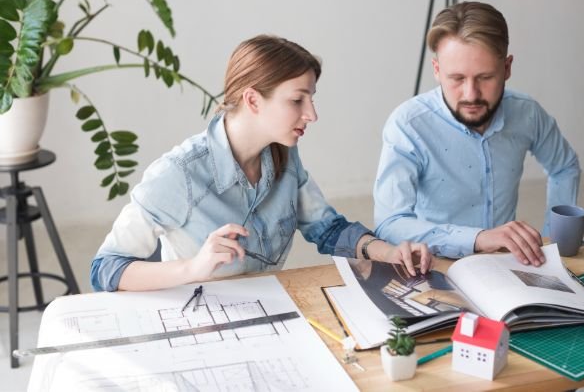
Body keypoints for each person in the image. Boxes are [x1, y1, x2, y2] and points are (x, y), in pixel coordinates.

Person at [91, 35, 433, 292]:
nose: (311, 114)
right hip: (195, 322)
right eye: (297, 100)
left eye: (311, 99)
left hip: (266, 309)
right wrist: (193, 267)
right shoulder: (178, 174)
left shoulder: (284, 155)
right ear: (252, 99)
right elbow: (105, 268)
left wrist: (385, 252)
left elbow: (326, 228)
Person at [374, 1, 580, 267]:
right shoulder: (408, 124)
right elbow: (389, 223)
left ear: (506, 68)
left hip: (506, 265)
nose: (471, 94)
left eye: (485, 77)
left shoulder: (527, 113)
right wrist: (479, 238)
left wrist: (555, 239)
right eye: (457, 78)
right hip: (434, 264)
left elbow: (564, 166)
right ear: (437, 70)